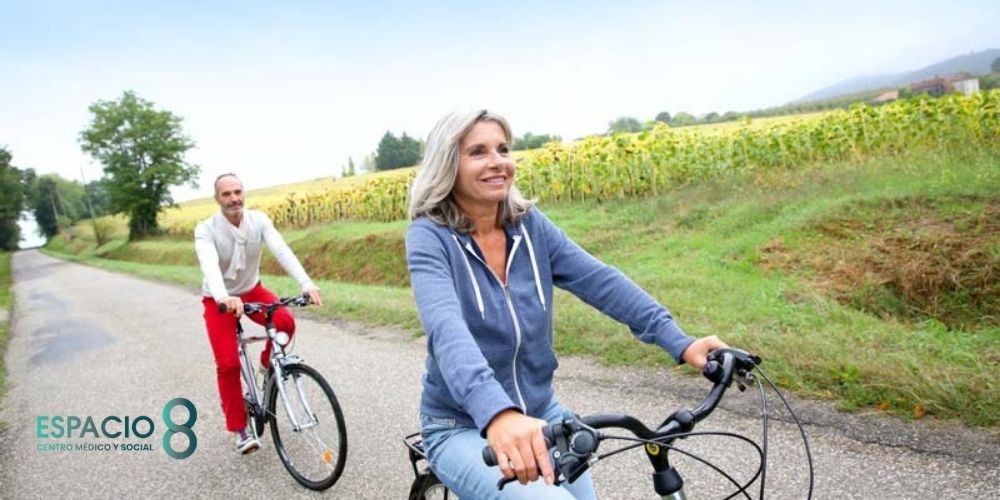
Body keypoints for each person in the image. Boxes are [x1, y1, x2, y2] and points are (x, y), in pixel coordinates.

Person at [405, 110, 728, 499]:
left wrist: (680, 340)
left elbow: (600, 281)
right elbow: (446, 330)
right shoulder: (429, 237)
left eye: (503, 148)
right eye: (478, 151)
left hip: (542, 414)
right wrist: (498, 414)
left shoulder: (528, 225)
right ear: (448, 165)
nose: (497, 161)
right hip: (463, 424)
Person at [195, 173, 322, 454]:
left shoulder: (258, 221)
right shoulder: (206, 229)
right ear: (217, 198)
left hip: (252, 291)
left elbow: (281, 249)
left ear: (244, 193)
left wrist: (306, 283)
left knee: (285, 322)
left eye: (237, 192)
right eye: (226, 194)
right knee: (228, 364)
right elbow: (209, 265)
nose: (233, 198)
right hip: (219, 300)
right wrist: (223, 297)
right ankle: (240, 430)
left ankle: (267, 366)